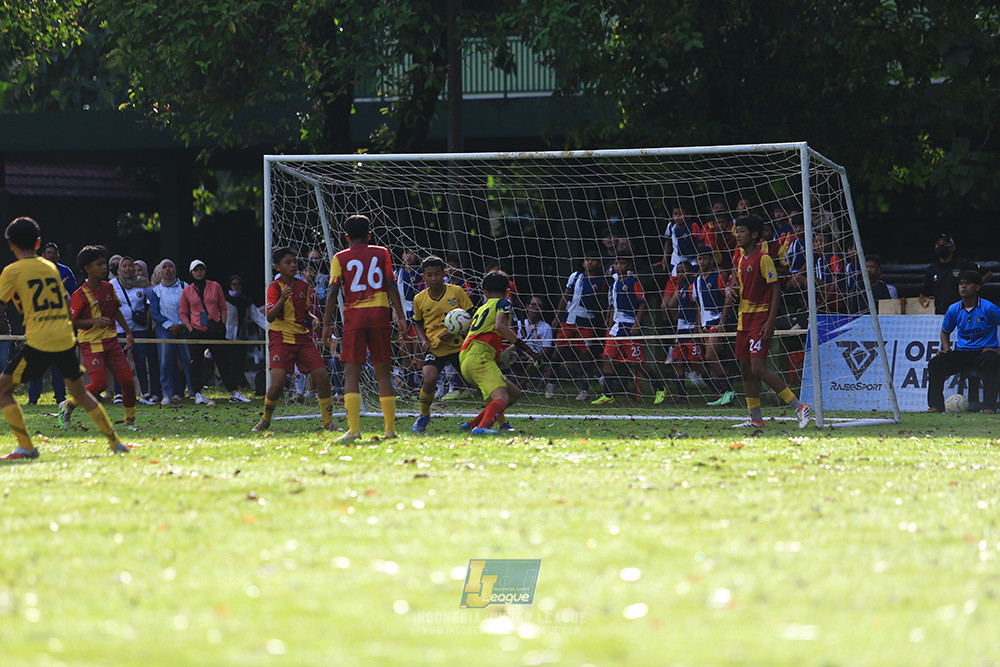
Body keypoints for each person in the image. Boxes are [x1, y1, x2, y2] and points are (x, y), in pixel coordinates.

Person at [0, 218, 132, 459]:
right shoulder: (50, 268)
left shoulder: (11, 271)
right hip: (65, 338)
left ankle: (26, 447)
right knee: (80, 393)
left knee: (3, 391)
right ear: (39, 243)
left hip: (40, 340)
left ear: (11, 245)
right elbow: (64, 302)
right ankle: (115, 442)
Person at [321, 214, 407, 442]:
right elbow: (390, 284)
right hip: (379, 316)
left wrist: (327, 323)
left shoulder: (340, 258)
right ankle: (390, 430)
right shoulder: (382, 252)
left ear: (346, 237)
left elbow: (332, 290)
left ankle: (354, 430)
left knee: (351, 373)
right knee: (383, 373)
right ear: (370, 235)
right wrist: (401, 316)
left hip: (354, 318)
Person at [728, 215, 812, 429]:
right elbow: (744, 288)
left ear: (754, 235)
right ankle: (756, 418)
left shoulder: (763, 258)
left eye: (742, 231)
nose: (737, 235)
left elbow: (775, 288)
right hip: (743, 320)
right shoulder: (740, 259)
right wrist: (731, 290)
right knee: (745, 369)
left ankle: (799, 406)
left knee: (758, 368)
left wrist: (770, 321)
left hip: (760, 318)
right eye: (736, 231)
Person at [253, 247, 337, 432]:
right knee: (277, 384)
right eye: (288, 262)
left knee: (322, 377)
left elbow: (303, 312)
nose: (293, 265)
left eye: (294, 262)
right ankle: (265, 419)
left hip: (302, 337)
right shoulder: (274, 288)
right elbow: (269, 317)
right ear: (277, 267)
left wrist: (313, 318)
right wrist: (281, 300)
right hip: (280, 337)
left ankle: (328, 422)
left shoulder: (303, 286)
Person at [60, 245, 140, 431]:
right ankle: (68, 405)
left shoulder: (108, 287)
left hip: (111, 343)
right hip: (91, 344)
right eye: (99, 264)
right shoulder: (79, 294)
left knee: (128, 381)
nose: (104, 267)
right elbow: (70, 323)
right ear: (87, 268)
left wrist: (128, 333)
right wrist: (93, 320)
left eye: (104, 263)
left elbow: (116, 311)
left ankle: (130, 421)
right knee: (99, 384)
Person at [458, 270, 539, 435]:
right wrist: (526, 349)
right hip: (480, 359)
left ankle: (473, 424)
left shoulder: (481, 308)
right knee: (502, 398)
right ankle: (481, 428)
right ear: (508, 292)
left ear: (485, 293)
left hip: (467, 358)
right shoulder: (504, 303)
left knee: (514, 393)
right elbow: (500, 327)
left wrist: (499, 355)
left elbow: (482, 335)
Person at [410, 255, 474, 433]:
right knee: (429, 380)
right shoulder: (419, 299)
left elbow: (469, 316)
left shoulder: (456, 292)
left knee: (477, 381)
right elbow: (417, 323)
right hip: (435, 348)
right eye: (429, 275)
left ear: (444, 274)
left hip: (458, 346)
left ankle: (497, 418)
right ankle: (424, 416)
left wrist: (453, 331)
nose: (434, 278)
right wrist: (423, 341)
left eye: (437, 274)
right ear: (423, 277)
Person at [591, 255, 667, 405]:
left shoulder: (634, 282)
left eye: (622, 263)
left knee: (636, 363)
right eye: (615, 263)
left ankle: (660, 388)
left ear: (629, 265)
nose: (618, 266)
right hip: (617, 328)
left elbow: (642, 304)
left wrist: (636, 324)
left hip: (630, 326)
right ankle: (608, 394)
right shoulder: (614, 284)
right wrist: (610, 321)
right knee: (607, 357)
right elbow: (613, 306)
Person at [926, 271, 1000, 414]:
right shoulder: (954, 309)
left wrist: (998, 350)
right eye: (961, 283)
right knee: (936, 363)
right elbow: (945, 331)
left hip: (984, 352)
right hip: (962, 353)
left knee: (992, 361)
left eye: (967, 283)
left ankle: (988, 407)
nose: (963, 287)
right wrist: (946, 348)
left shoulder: (988, 307)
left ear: (977, 287)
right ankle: (936, 406)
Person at [179, 259, 251, 405]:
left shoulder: (215, 286)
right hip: (197, 330)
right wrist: (190, 329)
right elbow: (183, 312)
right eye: (196, 270)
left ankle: (234, 392)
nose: (199, 272)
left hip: (215, 329)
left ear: (205, 271)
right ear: (192, 273)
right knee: (196, 363)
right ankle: (198, 393)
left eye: (201, 269)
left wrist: (222, 323)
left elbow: (222, 306)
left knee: (224, 362)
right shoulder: (187, 290)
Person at [551, 250, 608, 401]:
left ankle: (584, 389)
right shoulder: (575, 276)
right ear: (583, 262)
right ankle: (551, 382)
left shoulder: (602, 281)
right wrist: (557, 316)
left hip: (586, 322)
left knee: (585, 355)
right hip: (569, 319)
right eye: (587, 259)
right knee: (558, 349)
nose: (590, 262)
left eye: (593, 259)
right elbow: (566, 295)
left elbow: (603, 302)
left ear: (599, 263)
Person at [27, 241, 76, 405]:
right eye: (48, 253)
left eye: (54, 253)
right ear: (43, 255)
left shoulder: (65, 271)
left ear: (58, 255)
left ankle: (60, 398)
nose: (51, 256)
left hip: (60, 324)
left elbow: (74, 297)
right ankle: (33, 399)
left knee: (58, 365)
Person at [112, 256, 161, 404]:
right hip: (120, 329)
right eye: (124, 266)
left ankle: (144, 392)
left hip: (139, 329)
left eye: (130, 266)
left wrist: (148, 316)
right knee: (119, 361)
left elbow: (154, 298)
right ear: (120, 268)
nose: (127, 269)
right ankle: (118, 393)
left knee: (140, 360)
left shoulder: (142, 283)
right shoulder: (113, 284)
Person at [149, 259, 196, 405]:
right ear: (160, 272)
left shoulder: (184, 286)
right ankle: (166, 393)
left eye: (170, 267)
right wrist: (170, 325)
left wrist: (181, 325)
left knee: (188, 360)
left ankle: (194, 392)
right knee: (165, 362)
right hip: (164, 330)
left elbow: (191, 307)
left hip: (183, 329)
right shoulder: (156, 291)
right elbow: (155, 313)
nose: (168, 270)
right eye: (164, 267)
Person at [693, 249, 736, 406]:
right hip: (704, 326)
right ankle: (724, 393)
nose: (701, 262)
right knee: (711, 358)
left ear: (711, 260)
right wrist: (698, 328)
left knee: (710, 356)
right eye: (699, 258)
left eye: (704, 258)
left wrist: (722, 323)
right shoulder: (697, 281)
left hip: (716, 322)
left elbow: (727, 300)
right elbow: (699, 306)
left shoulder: (718, 277)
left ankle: (727, 391)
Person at [919, 234, 991, 315]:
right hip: (941, 314)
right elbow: (923, 294)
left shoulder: (962, 264)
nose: (941, 245)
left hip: (963, 313)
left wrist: (974, 287)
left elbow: (988, 273)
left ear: (952, 247)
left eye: (945, 243)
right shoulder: (932, 269)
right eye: (938, 243)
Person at [224, 274, 268, 391]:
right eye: (234, 284)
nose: (236, 287)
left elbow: (258, 317)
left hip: (242, 336)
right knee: (229, 361)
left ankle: (240, 383)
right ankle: (230, 384)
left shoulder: (246, 301)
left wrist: (269, 329)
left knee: (240, 361)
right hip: (227, 336)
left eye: (238, 284)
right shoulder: (224, 300)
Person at [518, 296, 556, 395]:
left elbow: (546, 349)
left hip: (536, 358)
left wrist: (534, 356)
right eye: (534, 305)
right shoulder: (519, 324)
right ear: (527, 306)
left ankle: (520, 386)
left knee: (534, 361)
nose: (536, 308)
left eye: (539, 306)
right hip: (520, 356)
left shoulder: (546, 327)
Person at [656, 205, 699, 276]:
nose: (677, 216)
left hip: (691, 261)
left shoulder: (693, 226)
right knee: (675, 283)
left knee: (690, 283)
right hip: (676, 261)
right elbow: (668, 243)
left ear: (688, 216)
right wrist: (664, 260)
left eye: (680, 214)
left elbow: (700, 244)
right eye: (675, 214)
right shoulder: (671, 226)